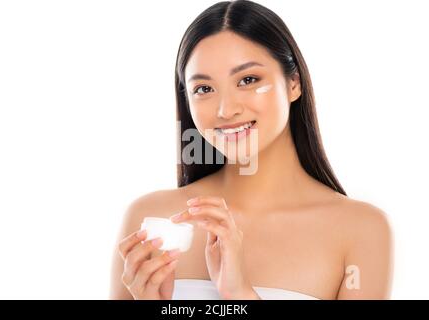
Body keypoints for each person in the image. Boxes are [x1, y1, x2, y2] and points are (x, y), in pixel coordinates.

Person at [110, 0, 393, 300]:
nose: (226, 109)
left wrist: (240, 294)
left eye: (248, 80)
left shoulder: (361, 231)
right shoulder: (152, 220)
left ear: (293, 83)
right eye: (204, 89)